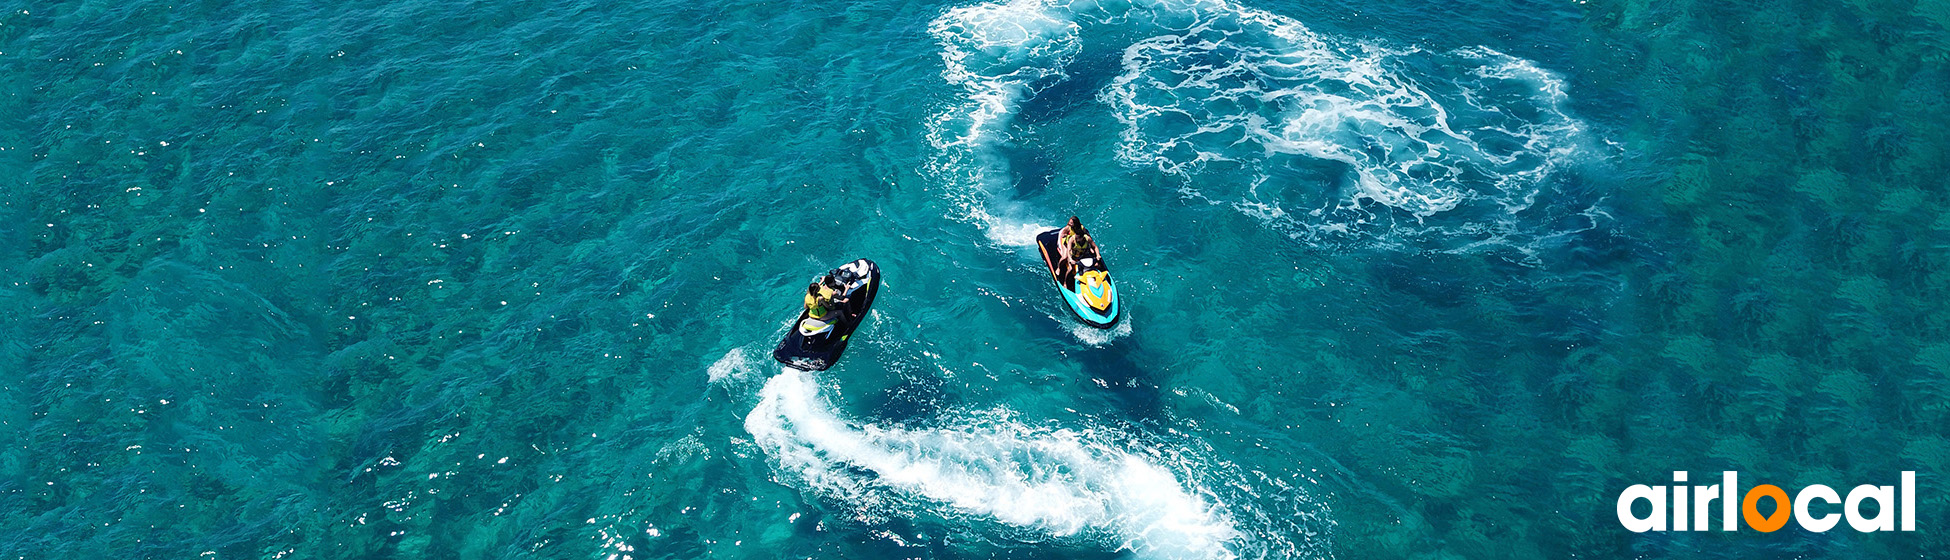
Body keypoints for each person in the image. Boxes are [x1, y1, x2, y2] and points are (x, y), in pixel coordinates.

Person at [1055, 216, 1099, 282]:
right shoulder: (1069, 231)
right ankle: (1059, 269)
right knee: (1065, 258)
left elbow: (1087, 235)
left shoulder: (1082, 230)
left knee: (1096, 263)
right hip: (1067, 243)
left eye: (1071, 223)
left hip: (1078, 247)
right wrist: (1070, 258)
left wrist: (1094, 250)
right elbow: (1069, 248)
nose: (1069, 224)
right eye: (1069, 222)